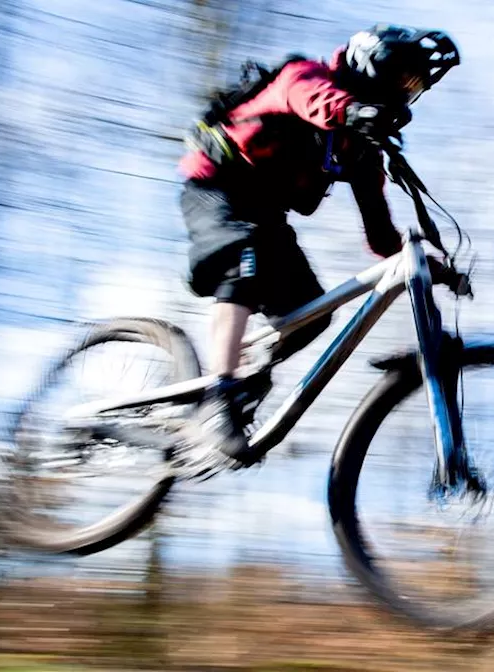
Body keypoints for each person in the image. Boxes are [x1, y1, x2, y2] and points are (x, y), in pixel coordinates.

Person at [174, 24, 460, 472]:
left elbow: (380, 235)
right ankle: (219, 392)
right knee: (243, 261)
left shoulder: (359, 151)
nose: (406, 93)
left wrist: (427, 264)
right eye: (403, 79)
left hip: (264, 214)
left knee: (311, 315)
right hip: (218, 183)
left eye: (415, 88)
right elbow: (314, 101)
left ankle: (246, 375)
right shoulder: (306, 77)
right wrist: (355, 111)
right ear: (372, 64)